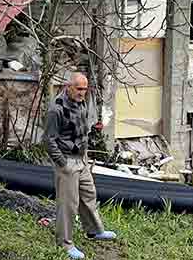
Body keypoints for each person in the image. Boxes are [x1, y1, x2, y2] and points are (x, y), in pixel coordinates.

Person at [44, 72, 117, 260]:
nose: (82, 92)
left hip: (81, 158)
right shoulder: (56, 109)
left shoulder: (81, 102)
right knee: (68, 204)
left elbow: (81, 129)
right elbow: (48, 140)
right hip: (66, 160)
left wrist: (85, 155)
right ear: (68, 86)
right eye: (78, 88)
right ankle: (65, 243)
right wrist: (62, 163)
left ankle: (94, 230)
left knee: (88, 194)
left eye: (85, 89)